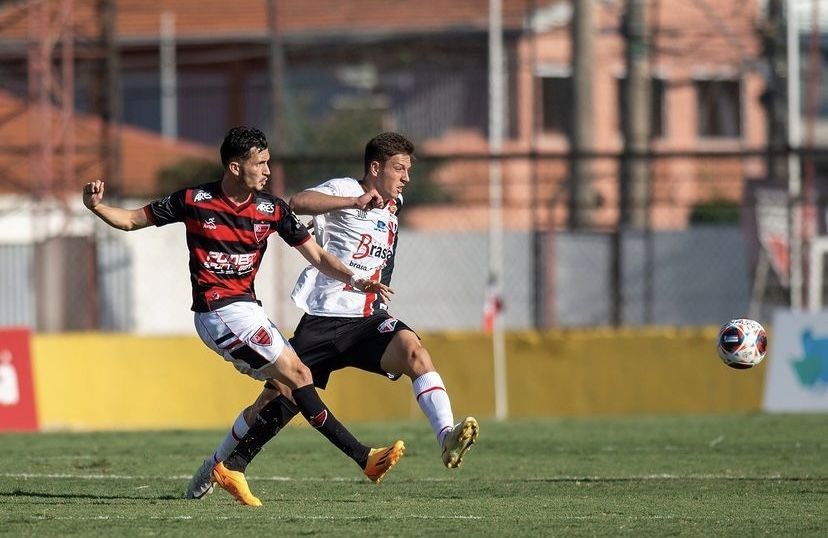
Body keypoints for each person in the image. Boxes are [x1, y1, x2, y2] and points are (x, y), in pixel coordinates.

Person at [82, 126, 404, 507]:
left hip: (250, 310)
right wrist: (97, 207)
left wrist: (355, 278)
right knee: (299, 376)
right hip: (216, 311)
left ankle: (218, 466)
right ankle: (363, 457)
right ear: (235, 167)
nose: (268, 171)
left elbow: (317, 256)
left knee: (281, 391)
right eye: (260, 163)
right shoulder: (194, 200)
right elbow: (133, 220)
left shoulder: (272, 209)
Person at [186, 131, 479, 504]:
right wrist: (353, 201)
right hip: (323, 320)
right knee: (273, 402)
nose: (406, 177)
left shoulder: (394, 203)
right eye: (399, 168)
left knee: (414, 352)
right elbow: (298, 201)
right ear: (375, 168)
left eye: (408, 169)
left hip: (368, 320)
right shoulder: (345, 188)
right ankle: (219, 463)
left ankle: (446, 437)